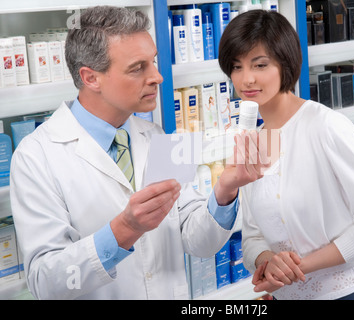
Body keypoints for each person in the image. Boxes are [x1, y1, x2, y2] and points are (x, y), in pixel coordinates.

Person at [9, 6, 264, 300]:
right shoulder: (36, 157)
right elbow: (46, 283)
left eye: (153, 62)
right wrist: (124, 229)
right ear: (91, 78)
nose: (157, 77)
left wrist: (225, 191)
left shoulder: (157, 137)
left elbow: (199, 243)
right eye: (137, 67)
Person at [218, 10, 354, 300]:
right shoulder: (252, 142)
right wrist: (267, 261)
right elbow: (253, 236)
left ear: (285, 63)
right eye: (236, 67)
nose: (246, 79)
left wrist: (300, 266)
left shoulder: (325, 126)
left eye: (260, 64)